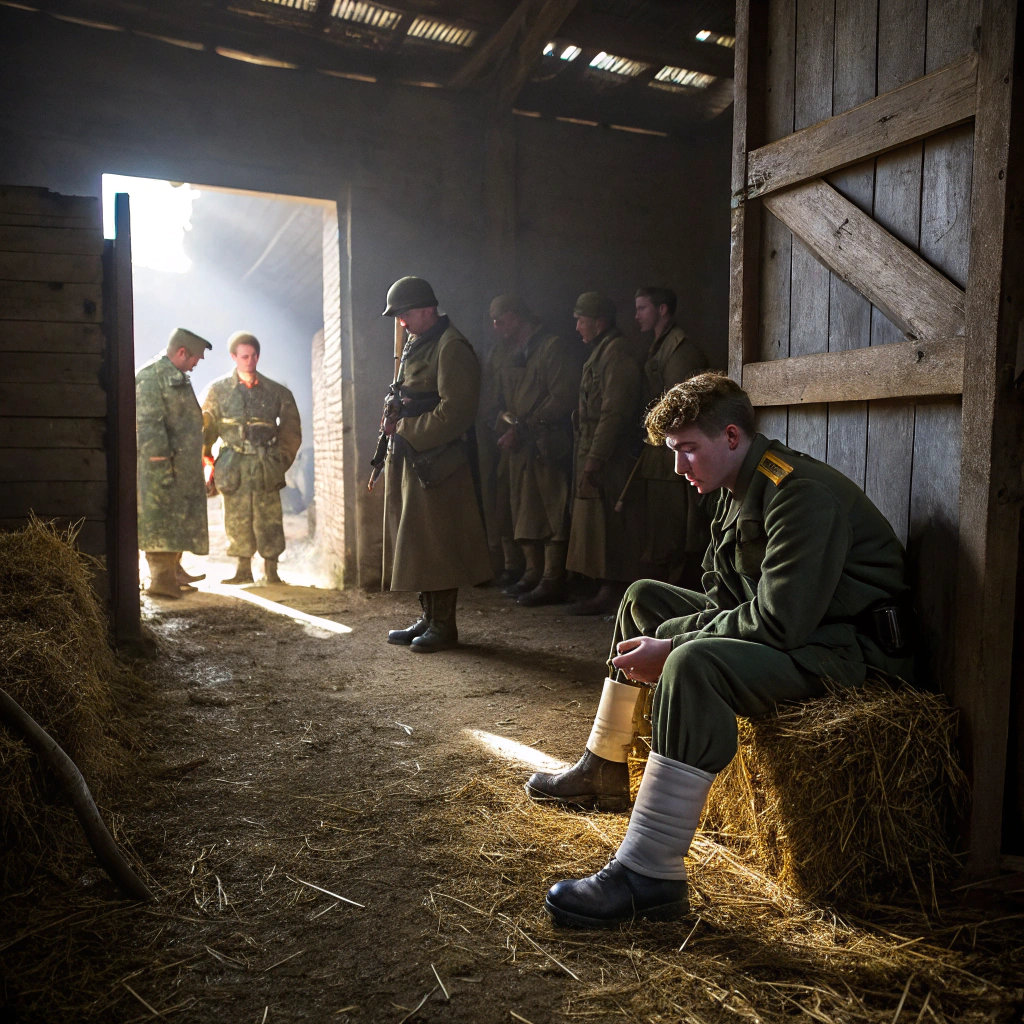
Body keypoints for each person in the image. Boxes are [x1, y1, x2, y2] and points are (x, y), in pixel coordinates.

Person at [528, 373, 915, 927]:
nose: (679, 468)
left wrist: (673, 647)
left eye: (687, 450)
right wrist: (669, 631)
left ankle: (650, 871)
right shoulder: (737, 489)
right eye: (673, 452)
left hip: (850, 652)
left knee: (691, 663)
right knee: (644, 599)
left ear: (731, 437)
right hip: (808, 634)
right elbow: (723, 597)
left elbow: (778, 622)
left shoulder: (799, 495)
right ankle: (605, 765)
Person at [381, 276, 492, 652]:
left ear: (429, 308)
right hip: (418, 458)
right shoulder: (418, 343)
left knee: (438, 543)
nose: (402, 323)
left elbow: (456, 412)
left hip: (440, 461)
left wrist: (408, 428)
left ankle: (444, 626)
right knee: (419, 542)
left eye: (406, 313)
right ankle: (429, 618)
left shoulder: (451, 347)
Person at [489, 294, 583, 606]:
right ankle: (533, 572)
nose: (496, 327)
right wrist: (511, 424)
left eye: (500, 319)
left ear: (517, 317)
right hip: (522, 442)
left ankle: (553, 577)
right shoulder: (512, 351)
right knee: (525, 508)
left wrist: (524, 426)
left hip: (547, 441)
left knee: (552, 509)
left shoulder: (552, 347)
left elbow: (563, 395)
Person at [565, 292, 643, 616]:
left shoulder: (617, 353)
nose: (578, 326)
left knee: (609, 523)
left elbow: (615, 412)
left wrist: (596, 457)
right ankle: (602, 586)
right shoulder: (603, 351)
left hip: (611, 454)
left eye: (581, 320)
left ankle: (612, 591)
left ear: (599, 322)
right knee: (595, 523)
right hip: (593, 448)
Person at [202, 332, 302, 585]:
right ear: (234, 357)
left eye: (253, 355)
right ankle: (242, 569)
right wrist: (207, 462)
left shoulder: (276, 391)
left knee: (269, 517)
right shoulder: (218, 390)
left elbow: (291, 429)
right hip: (232, 464)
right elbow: (207, 428)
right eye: (244, 356)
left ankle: (271, 570)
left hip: (265, 463)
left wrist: (280, 460)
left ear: (258, 356)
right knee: (236, 517)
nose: (249, 361)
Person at [634, 286, 709, 586]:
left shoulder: (681, 350)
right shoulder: (660, 346)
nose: (636, 315)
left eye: (642, 308)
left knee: (676, 531)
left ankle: (677, 593)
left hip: (673, 453)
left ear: (662, 309)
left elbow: (680, 408)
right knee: (661, 529)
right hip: (659, 453)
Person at [136, 327, 213, 599]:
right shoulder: (151, 377)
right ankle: (161, 580)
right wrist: (160, 467)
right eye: (196, 358)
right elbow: (148, 427)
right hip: (162, 468)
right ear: (181, 352)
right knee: (159, 522)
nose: (197, 363)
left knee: (177, 519)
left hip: (181, 466)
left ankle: (174, 571)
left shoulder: (176, 376)